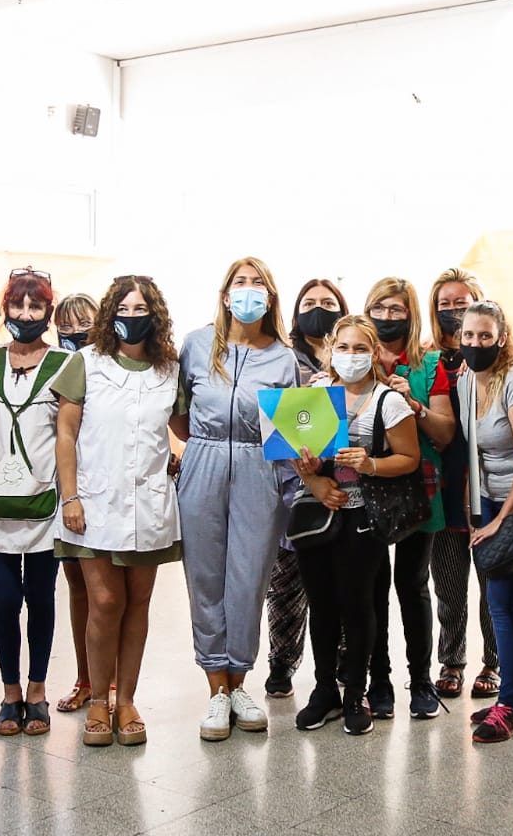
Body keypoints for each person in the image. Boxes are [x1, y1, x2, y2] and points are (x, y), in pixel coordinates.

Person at [56, 275, 186, 746]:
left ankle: (127, 699)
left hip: (150, 504)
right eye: (124, 309)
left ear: (156, 315)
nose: (133, 317)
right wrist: (70, 496)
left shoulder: (168, 369)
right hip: (91, 503)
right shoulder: (86, 363)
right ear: (110, 313)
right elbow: (66, 434)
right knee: (105, 602)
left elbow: (186, 427)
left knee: (138, 604)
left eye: (141, 309)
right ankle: (97, 700)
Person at [173, 257, 299, 742]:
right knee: (205, 578)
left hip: (257, 466)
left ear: (270, 298)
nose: (249, 291)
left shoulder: (283, 358)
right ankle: (215, 690)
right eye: (240, 283)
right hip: (202, 461)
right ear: (225, 295)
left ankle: (240, 681)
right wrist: (201, 449)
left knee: (248, 580)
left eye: (259, 284)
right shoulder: (197, 344)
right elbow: (180, 413)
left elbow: (289, 430)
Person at [291, 314, 423, 736]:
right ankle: (324, 689)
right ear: (330, 350)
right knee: (321, 604)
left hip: (363, 517)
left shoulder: (389, 401)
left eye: (360, 348)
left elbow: (409, 459)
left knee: (357, 605)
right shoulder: (314, 394)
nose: (350, 356)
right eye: (343, 348)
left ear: (375, 354)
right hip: (318, 514)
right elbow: (294, 450)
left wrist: (370, 464)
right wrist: (312, 476)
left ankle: (356, 694)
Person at [0, 268, 70, 737]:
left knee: (41, 598)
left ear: (47, 313)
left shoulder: (64, 364)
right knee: (4, 601)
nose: (26, 314)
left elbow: (72, 435)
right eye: (18, 305)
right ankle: (9, 692)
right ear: (5, 309)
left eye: (35, 307)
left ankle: (37, 690)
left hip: (43, 507)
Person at [456, 302, 513, 744]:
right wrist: (478, 510)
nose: (475, 344)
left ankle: (509, 707)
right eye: (468, 336)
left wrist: (501, 520)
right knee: (510, 602)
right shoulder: (465, 380)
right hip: (490, 501)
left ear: (502, 337)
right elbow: (473, 449)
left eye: (484, 336)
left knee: (501, 602)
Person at [365, 277, 454, 718]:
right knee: (374, 587)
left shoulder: (429, 364)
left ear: (411, 313)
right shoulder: (354, 358)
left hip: (419, 487)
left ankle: (421, 682)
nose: (387, 316)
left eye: (396, 309)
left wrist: (414, 405)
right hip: (367, 488)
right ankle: (377, 681)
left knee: (413, 585)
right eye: (379, 307)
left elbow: (445, 430)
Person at [264, 278, 351, 698]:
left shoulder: (351, 356)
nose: (320, 309)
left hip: (346, 487)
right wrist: (308, 478)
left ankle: (341, 667)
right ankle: (281, 663)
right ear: (296, 312)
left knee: (339, 585)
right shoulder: (285, 361)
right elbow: (279, 430)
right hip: (294, 486)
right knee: (286, 585)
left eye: (328, 302)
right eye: (310, 302)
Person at [426, 268, 501, 708]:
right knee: (449, 585)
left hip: (490, 488)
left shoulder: (500, 364)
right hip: (444, 488)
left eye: (463, 302)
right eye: (446, 305)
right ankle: (451, 661)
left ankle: (495, 663)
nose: (454, 312)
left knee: (495, 585)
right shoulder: (429, 362)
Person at [51, 293, 98, 714]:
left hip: (108, 492)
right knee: (79, 588)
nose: (73, 332)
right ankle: (85, 679)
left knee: (111, 594)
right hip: (67, 493)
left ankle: (112, 683)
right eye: (64, 326)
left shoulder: (108, 365)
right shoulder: (56, 367)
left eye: (82, 323)